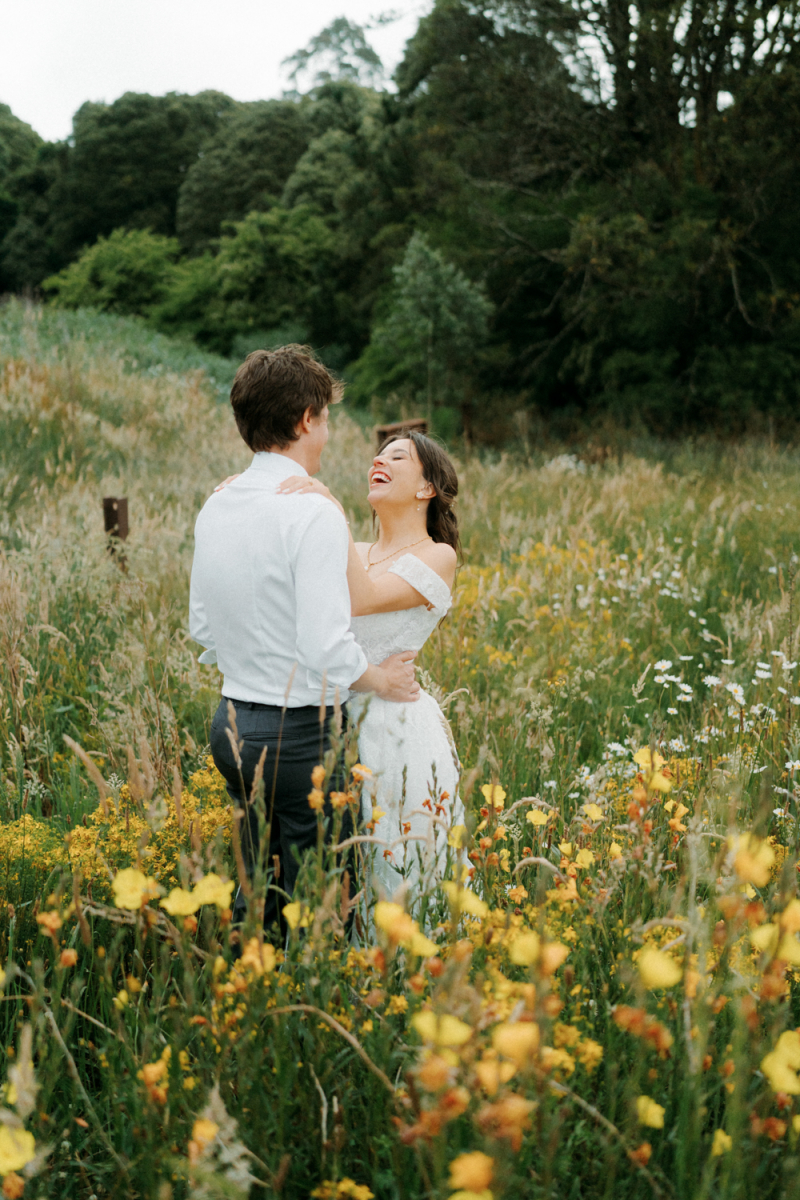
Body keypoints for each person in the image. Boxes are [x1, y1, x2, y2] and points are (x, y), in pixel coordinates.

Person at [189, 346, 419, 940]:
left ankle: (248, 1002)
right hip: (301, 739)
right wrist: (381, 680)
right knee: (318, 902)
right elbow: (326, 643)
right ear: (303, 421)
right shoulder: (313, 512)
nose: (328, 432)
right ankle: (300, 1015)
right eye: (325, 418)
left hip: (231, 724)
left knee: (258, 891)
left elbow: (203, 627)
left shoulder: (217, 503)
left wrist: (252, 664)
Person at [276, 430, 465, 900]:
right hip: (330, 718)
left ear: (427, 489)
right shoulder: (355, 550)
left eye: (397, 457)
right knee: (338, 864)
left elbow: (362, 598)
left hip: (394, 727)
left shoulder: (438, 556)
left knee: (396, 862)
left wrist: (330, 511)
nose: (378, 462)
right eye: (378, 456)